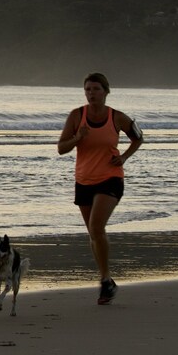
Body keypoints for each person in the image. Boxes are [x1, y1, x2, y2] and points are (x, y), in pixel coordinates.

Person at [57, 73, 143, 304]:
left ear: (105, 91)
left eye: (95, 89)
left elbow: (138, 138)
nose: (91, 93)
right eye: (87, 89)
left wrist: (124, 157)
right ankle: (107, 279)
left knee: (97, 226)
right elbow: (61, 148)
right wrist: (77, 137)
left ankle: (105, 280)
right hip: (83, 179)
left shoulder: (117, 117)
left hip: (110, 177)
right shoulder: (77, 116)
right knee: (94, 233)